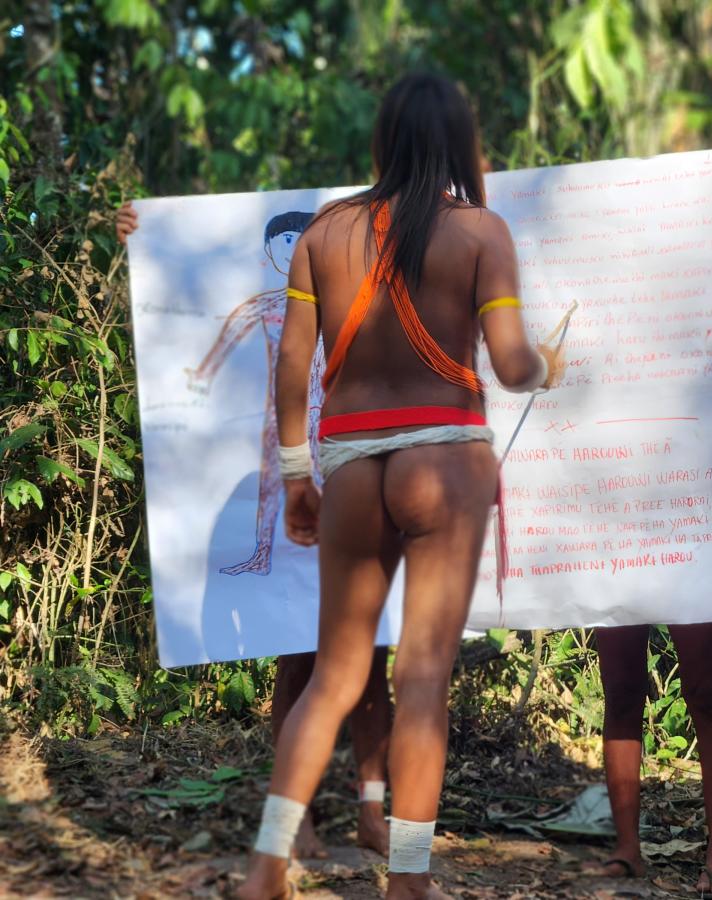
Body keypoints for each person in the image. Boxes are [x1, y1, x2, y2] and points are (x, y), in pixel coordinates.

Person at [236, 72, 565, 900]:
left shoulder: (325, 231)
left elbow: (290, 364)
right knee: (422, 678)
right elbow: (514, 362)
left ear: (383, 137)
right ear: (460, 141)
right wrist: (550, 367)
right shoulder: (481, 231)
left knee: (336, 676)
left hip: (348, 462)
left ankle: (266, 867)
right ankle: (408, 884)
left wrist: (297, 476)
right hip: (447, 458)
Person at [117, 203, 392, 858]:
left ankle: (373, 808)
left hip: (356, 454)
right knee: (297, 645)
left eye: (307, 239)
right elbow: (219, 340)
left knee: (374, 655)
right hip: (287, 446)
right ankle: (296, 813)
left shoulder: (370, 297)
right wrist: (144, 239)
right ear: (276, 253)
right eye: (287, 242)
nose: (297, 249)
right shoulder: (275, 305)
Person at [585, 624, 712, 895]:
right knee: (620, 691)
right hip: (622, 580)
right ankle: (627, 849)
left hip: (691, 579)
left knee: (708, 693)